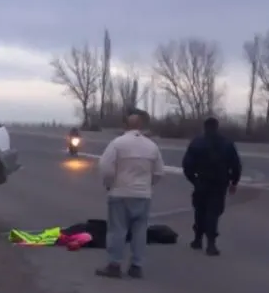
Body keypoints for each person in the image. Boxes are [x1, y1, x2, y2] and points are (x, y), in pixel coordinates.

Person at [96, 111, 165, 279]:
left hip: (120, 193)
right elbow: (159, 172)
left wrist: (109, 184)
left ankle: (114, 264)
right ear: (141, 126)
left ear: (125, 125)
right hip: (143, 195)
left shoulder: (117, 143)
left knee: (117, 230)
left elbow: (105, 167)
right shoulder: (151, 146)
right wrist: (148, 185)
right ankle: (136, 266)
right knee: (140, 231)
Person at [182, 117, 241, 255]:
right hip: (220, 183)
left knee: (200, 210)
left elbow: (187, 165)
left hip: (201, 181)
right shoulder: (227, 143)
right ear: (217, 127)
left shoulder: (197, 142)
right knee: (213, 213)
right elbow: (235, 164)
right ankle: (211, 244)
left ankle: (197, 239)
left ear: (204, 127)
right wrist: (234, 182)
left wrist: (193, 180)